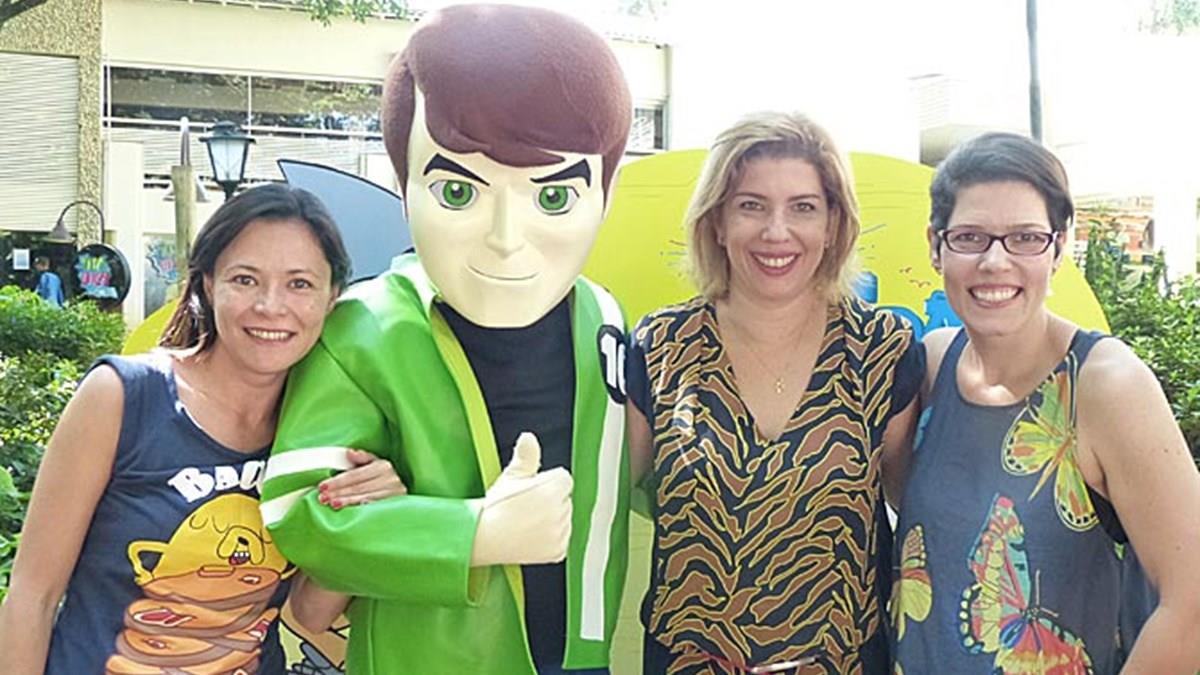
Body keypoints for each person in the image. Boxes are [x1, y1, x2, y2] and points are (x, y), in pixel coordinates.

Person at [258, 5, 633, 675]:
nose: (505, 237)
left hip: (582, 653)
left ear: (607, 192)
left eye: (552, 198)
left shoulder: (602, 317)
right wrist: (475, 532)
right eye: (458, 191)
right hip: (427, 658)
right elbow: (298, 508)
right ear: (403, 183)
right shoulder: (364, 327)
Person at [0, 184, 404, 675]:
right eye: (245, 279)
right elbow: (33, 596)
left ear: (332, 297)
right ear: (209, 285)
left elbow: (310, 613)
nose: (270, 306)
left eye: (299, 284)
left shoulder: (325, 436)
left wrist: (369, 511)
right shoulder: (124, 397)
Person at [625, 111, 923, 674]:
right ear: (717, 221)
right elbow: (600, 507)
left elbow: (918, 509)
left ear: (833, 224)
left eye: (803, 207)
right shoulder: (659, 347)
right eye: (751, 205)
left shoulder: (882, 350)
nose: (776, 231)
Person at [891, 132, 1200, 673]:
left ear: (1059, 248)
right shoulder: (934, 365)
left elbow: (1191, 605)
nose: (995, 261)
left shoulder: (1104, 385)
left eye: (1025, 238)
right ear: (936, 246)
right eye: (969, 237)